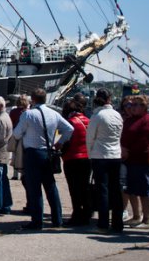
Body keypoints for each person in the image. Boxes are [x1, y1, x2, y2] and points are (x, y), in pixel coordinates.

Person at [12, 88, 73, 230]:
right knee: (51, 186)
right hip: (48, 152)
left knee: (34, 188)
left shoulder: (28, 114)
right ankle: (57, 219)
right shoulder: (54, 113)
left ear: (32, 100)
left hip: (33, 153)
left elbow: (16, 133)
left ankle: (37, 221)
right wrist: (60, 142)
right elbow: (69, 128)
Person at [87, 88, 124, 233]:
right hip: (116, 155)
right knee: (116, 190)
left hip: (100, 155)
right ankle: (117, 223)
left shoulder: (97, 116)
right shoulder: (117, 115)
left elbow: (90, 138)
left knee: (102, 189)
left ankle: (103, 223)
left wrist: (91, 154)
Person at [120, 95, 149, 230]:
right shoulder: (131, 120)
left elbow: (146, 141)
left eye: (135, 105)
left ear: (144, 106)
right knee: (130, 190)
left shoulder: (148, 120)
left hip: (140, 161)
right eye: (130, 105)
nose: (131, 107)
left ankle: (146, 220)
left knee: (143, 190)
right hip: (128, 160)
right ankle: (136, 216)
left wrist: (129, 150)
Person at [61, 94, 92, 226]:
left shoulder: (70, 122)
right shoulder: (88, 120)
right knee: (84, 187)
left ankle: (77, 214)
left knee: (74, 189)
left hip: (72, 158)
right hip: (87, 158)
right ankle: (86, 213)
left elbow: (61, 141)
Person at [9, 95, 29, 180]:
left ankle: (15, 174)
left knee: (15, 154)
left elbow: (11, 124)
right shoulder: (28, 111)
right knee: (24, 155)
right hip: (26, 136)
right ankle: (23, 174)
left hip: (15, 135)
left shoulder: (13, 112)